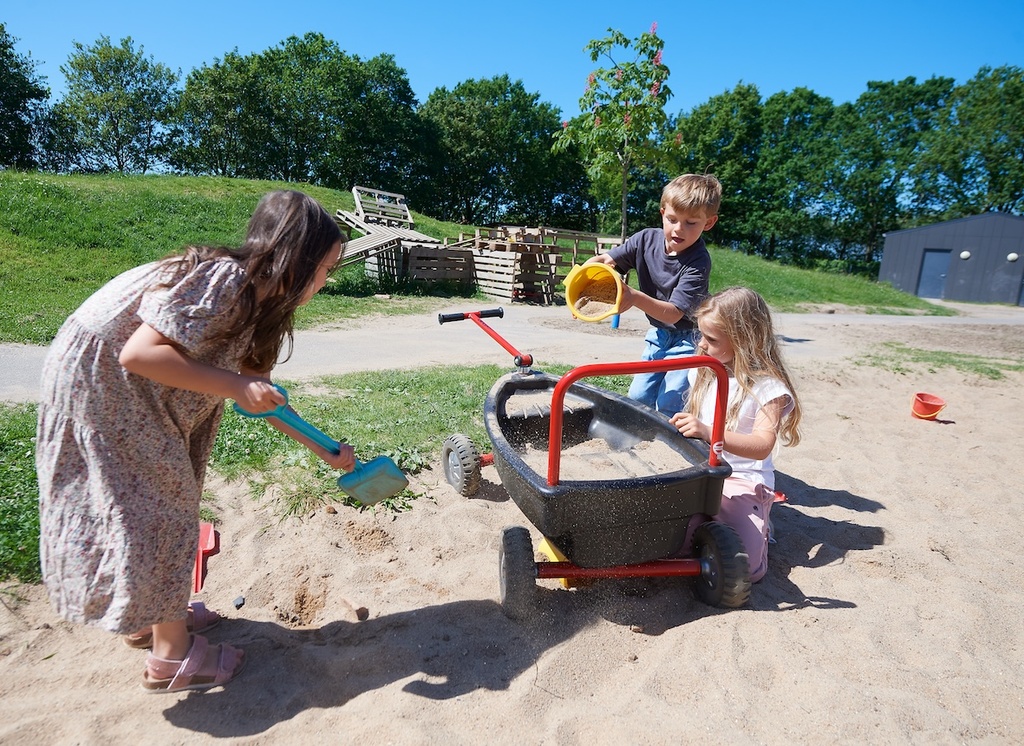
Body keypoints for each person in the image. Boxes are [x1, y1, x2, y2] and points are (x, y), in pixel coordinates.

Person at [34, 190, 357, 693]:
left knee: (159, 501)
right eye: (327, 266)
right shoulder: (225, 278)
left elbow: (262, 392)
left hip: (141, 394)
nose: (327, 279)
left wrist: (323, 448)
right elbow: (139, 353)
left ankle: (152, 617)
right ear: (297, 257)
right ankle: (171, 657)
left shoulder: (269, 304)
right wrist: (233, 386)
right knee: (160, 504)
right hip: (104, 383)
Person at [669, 287, 802, 583]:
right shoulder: (704, 370)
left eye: (712, 340)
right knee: (673, 540)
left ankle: (762, 524)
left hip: (741, 476)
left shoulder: (767, 388)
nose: (701, 345)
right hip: (703, 469)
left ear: (744, 341)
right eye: (701, 335)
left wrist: (710, 432)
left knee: (746, 570)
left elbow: (761, 446)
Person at [585, 173, 721, 414]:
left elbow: (673, 314)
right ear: (662, 212)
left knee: (670, 402)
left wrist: (634, 297)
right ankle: (640, 439)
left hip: (688, 338)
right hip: (658, 334)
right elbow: (610, 260)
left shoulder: (698, 262)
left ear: (708, 223)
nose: (678, 229)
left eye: (691, 223)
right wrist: (592, 269)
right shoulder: (645, 239)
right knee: (639, 396)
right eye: (672, 219)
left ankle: (669, 445)